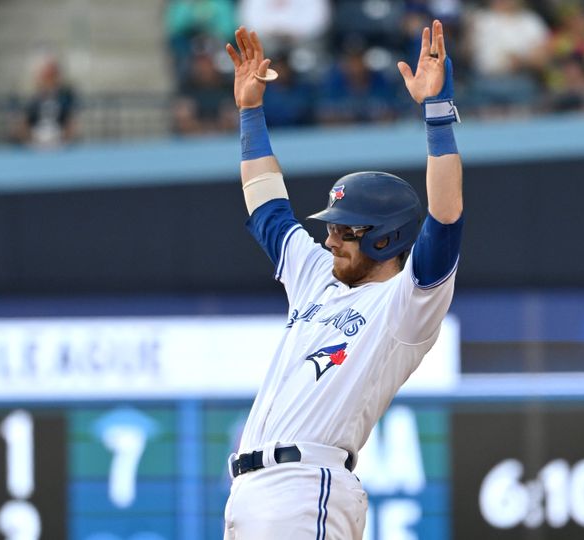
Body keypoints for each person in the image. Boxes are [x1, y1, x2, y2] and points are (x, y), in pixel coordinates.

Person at [222, 20, 463, 538]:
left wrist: (437, 114)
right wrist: (250, 113)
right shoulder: (319, 279)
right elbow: (269, 209)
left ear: (385, 237)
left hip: (306, 486)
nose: (330, 240)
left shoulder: (404, 306)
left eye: (344, 230)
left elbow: (445, 219)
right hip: (251, 493)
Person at [14, 56, 77, 148]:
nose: (49, 80)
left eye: (52, 75)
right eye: (46, 76)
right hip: (36, 142)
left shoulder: (66, 97)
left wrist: (63, 139)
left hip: (59, 142)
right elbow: (23, 123)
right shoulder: (33, 99)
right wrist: (31, 139)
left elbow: (72, 122)